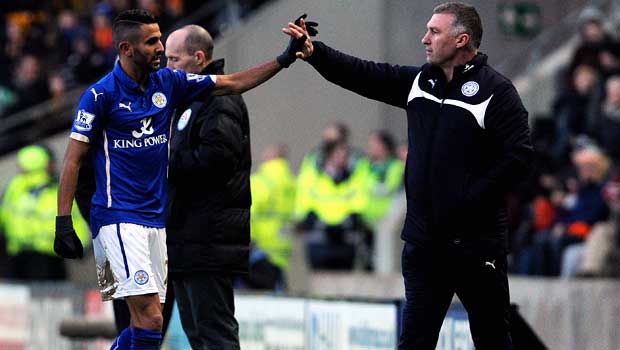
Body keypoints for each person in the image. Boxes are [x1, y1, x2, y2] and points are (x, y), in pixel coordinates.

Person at [55, 9, 310, 350]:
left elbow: (232, 82)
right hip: (116, 220)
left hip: (156, 225)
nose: (160, 47)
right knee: (152, 320)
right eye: (152, 42)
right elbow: (73, 161)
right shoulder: (100, 96)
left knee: (144, 326)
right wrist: (63, 221)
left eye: (161, 39)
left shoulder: (169, 84)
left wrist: (283, 59)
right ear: (126, 49)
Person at [285, 3, 533, 349]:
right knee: (414, 341)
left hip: (475, 246)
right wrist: (315, 53)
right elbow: (363, 74)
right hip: (424, 244)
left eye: (434, 31)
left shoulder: (496, 91)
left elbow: (519, 159)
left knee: (492, 339)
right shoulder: (421, 81)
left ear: (462, 40)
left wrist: (468, 202)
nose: (424, 38)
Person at [163, 24, 251, 349]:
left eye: (174, 60)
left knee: (214, 336)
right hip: (188, 240)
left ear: (198, 59)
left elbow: (217, 160)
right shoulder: (189, 99)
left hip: (208, 240)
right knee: (198, 335)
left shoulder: (220, 99)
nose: (167, 68)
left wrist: (164, 163)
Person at [0, 145, 88, 280]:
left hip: (20, 258)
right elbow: (77, 219)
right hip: (48, 260)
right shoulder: (59, 188)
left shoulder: (14, 188)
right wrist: (82, 247)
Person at [244, 143, 296, 290]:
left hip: (260, 247)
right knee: (277, 288)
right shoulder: (291, 182)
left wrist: (246, 239)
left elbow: (249, 212)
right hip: (282, 249)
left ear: (270, 157)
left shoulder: (261, 181)